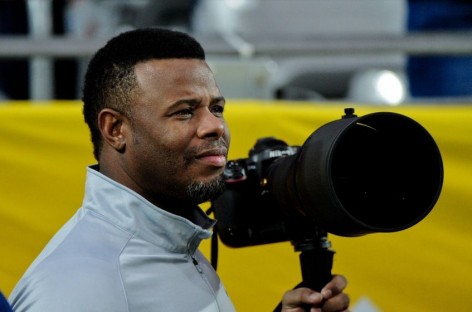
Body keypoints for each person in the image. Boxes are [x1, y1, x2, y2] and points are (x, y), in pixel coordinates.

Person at [8, 28, 349, 312]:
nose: (214, 127)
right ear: (115, 130)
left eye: (216, 108)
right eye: (184, 112)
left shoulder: (169, 241)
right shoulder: (81, 291)